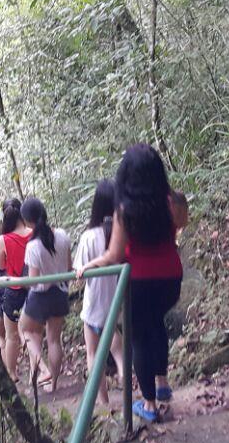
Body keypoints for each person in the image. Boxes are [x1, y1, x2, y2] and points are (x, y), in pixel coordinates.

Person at [77, 143, 188, 424]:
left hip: (138, 281)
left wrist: (88, 265)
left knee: (138, 336)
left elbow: (113, 255)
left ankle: (148, 403)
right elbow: (182, 222)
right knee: (157, 325)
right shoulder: (173, 200)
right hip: (170, 278)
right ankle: (162, 383)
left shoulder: (124, 209)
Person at [73, 180, 125, 406]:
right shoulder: (122, 233)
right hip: (117, 306)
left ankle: (104, 406)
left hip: (93, 307)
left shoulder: (88, 237)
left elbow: (79, 271)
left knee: (94, 356)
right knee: (120, 355)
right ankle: (127, 399)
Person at [18, 196, 72, 394]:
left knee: (24, 330)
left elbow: (33, 281)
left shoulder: (33, 246)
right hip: (60, 293)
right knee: (54, 340)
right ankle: (54, 384)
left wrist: (15, 282)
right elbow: (69, 267)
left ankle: (42, 367)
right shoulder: (63, 235)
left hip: (40, 296)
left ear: (27, 221)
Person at [0, 197, 30, 379]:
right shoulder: (33, 233)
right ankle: (37, 369)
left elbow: (0, 266)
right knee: (33, 333)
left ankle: (12, 372)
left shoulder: (4, 239)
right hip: (33, 288)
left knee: (11, 335)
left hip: (14, 288)